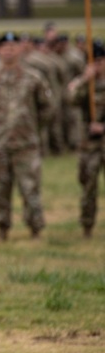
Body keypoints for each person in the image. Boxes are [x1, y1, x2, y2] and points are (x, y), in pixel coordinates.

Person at [0, 32, 53, 240]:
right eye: (4, 46)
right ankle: (2, 228)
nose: (9, 50)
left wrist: (31, 128)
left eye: (13, 46)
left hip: (26, 144)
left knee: (30, 189)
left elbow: (46, 109)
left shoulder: (34, 78)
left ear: (20, 49)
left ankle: (35, 229)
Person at [66, 40, 105, 238]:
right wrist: (84, 80)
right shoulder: (83, 83)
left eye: (99, 61)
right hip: (89, 145)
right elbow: (71, 100)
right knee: (88, 185)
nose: (96, 65)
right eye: (92, 62)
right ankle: (87, 226)